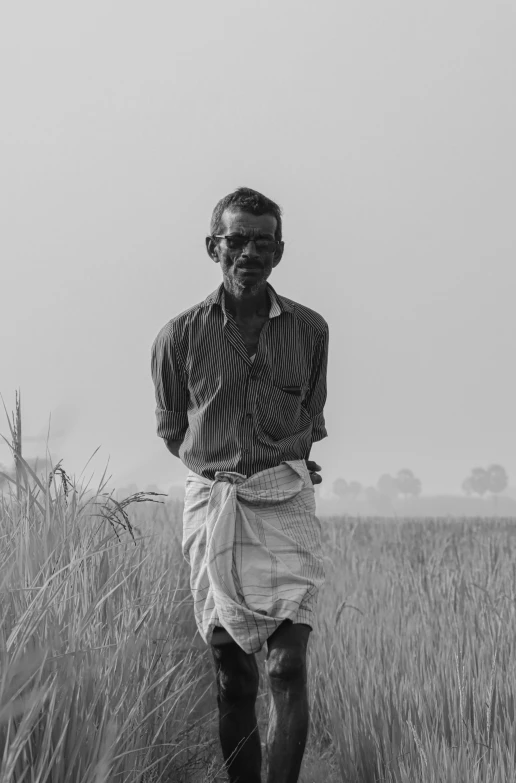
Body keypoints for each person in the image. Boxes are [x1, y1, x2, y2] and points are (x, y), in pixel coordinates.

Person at [151, 187, 329, 783]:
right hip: (215, 503)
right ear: (213, 248)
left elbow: (310, 417)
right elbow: (174, 430)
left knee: (286, 666)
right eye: (236, 240)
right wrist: (225, 467)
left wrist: (285, 461)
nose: (249, 251)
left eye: (262, 240)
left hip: (285, 501)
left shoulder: (311, 331)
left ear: (279, 251)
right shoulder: (176, 337)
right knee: (233, 675)